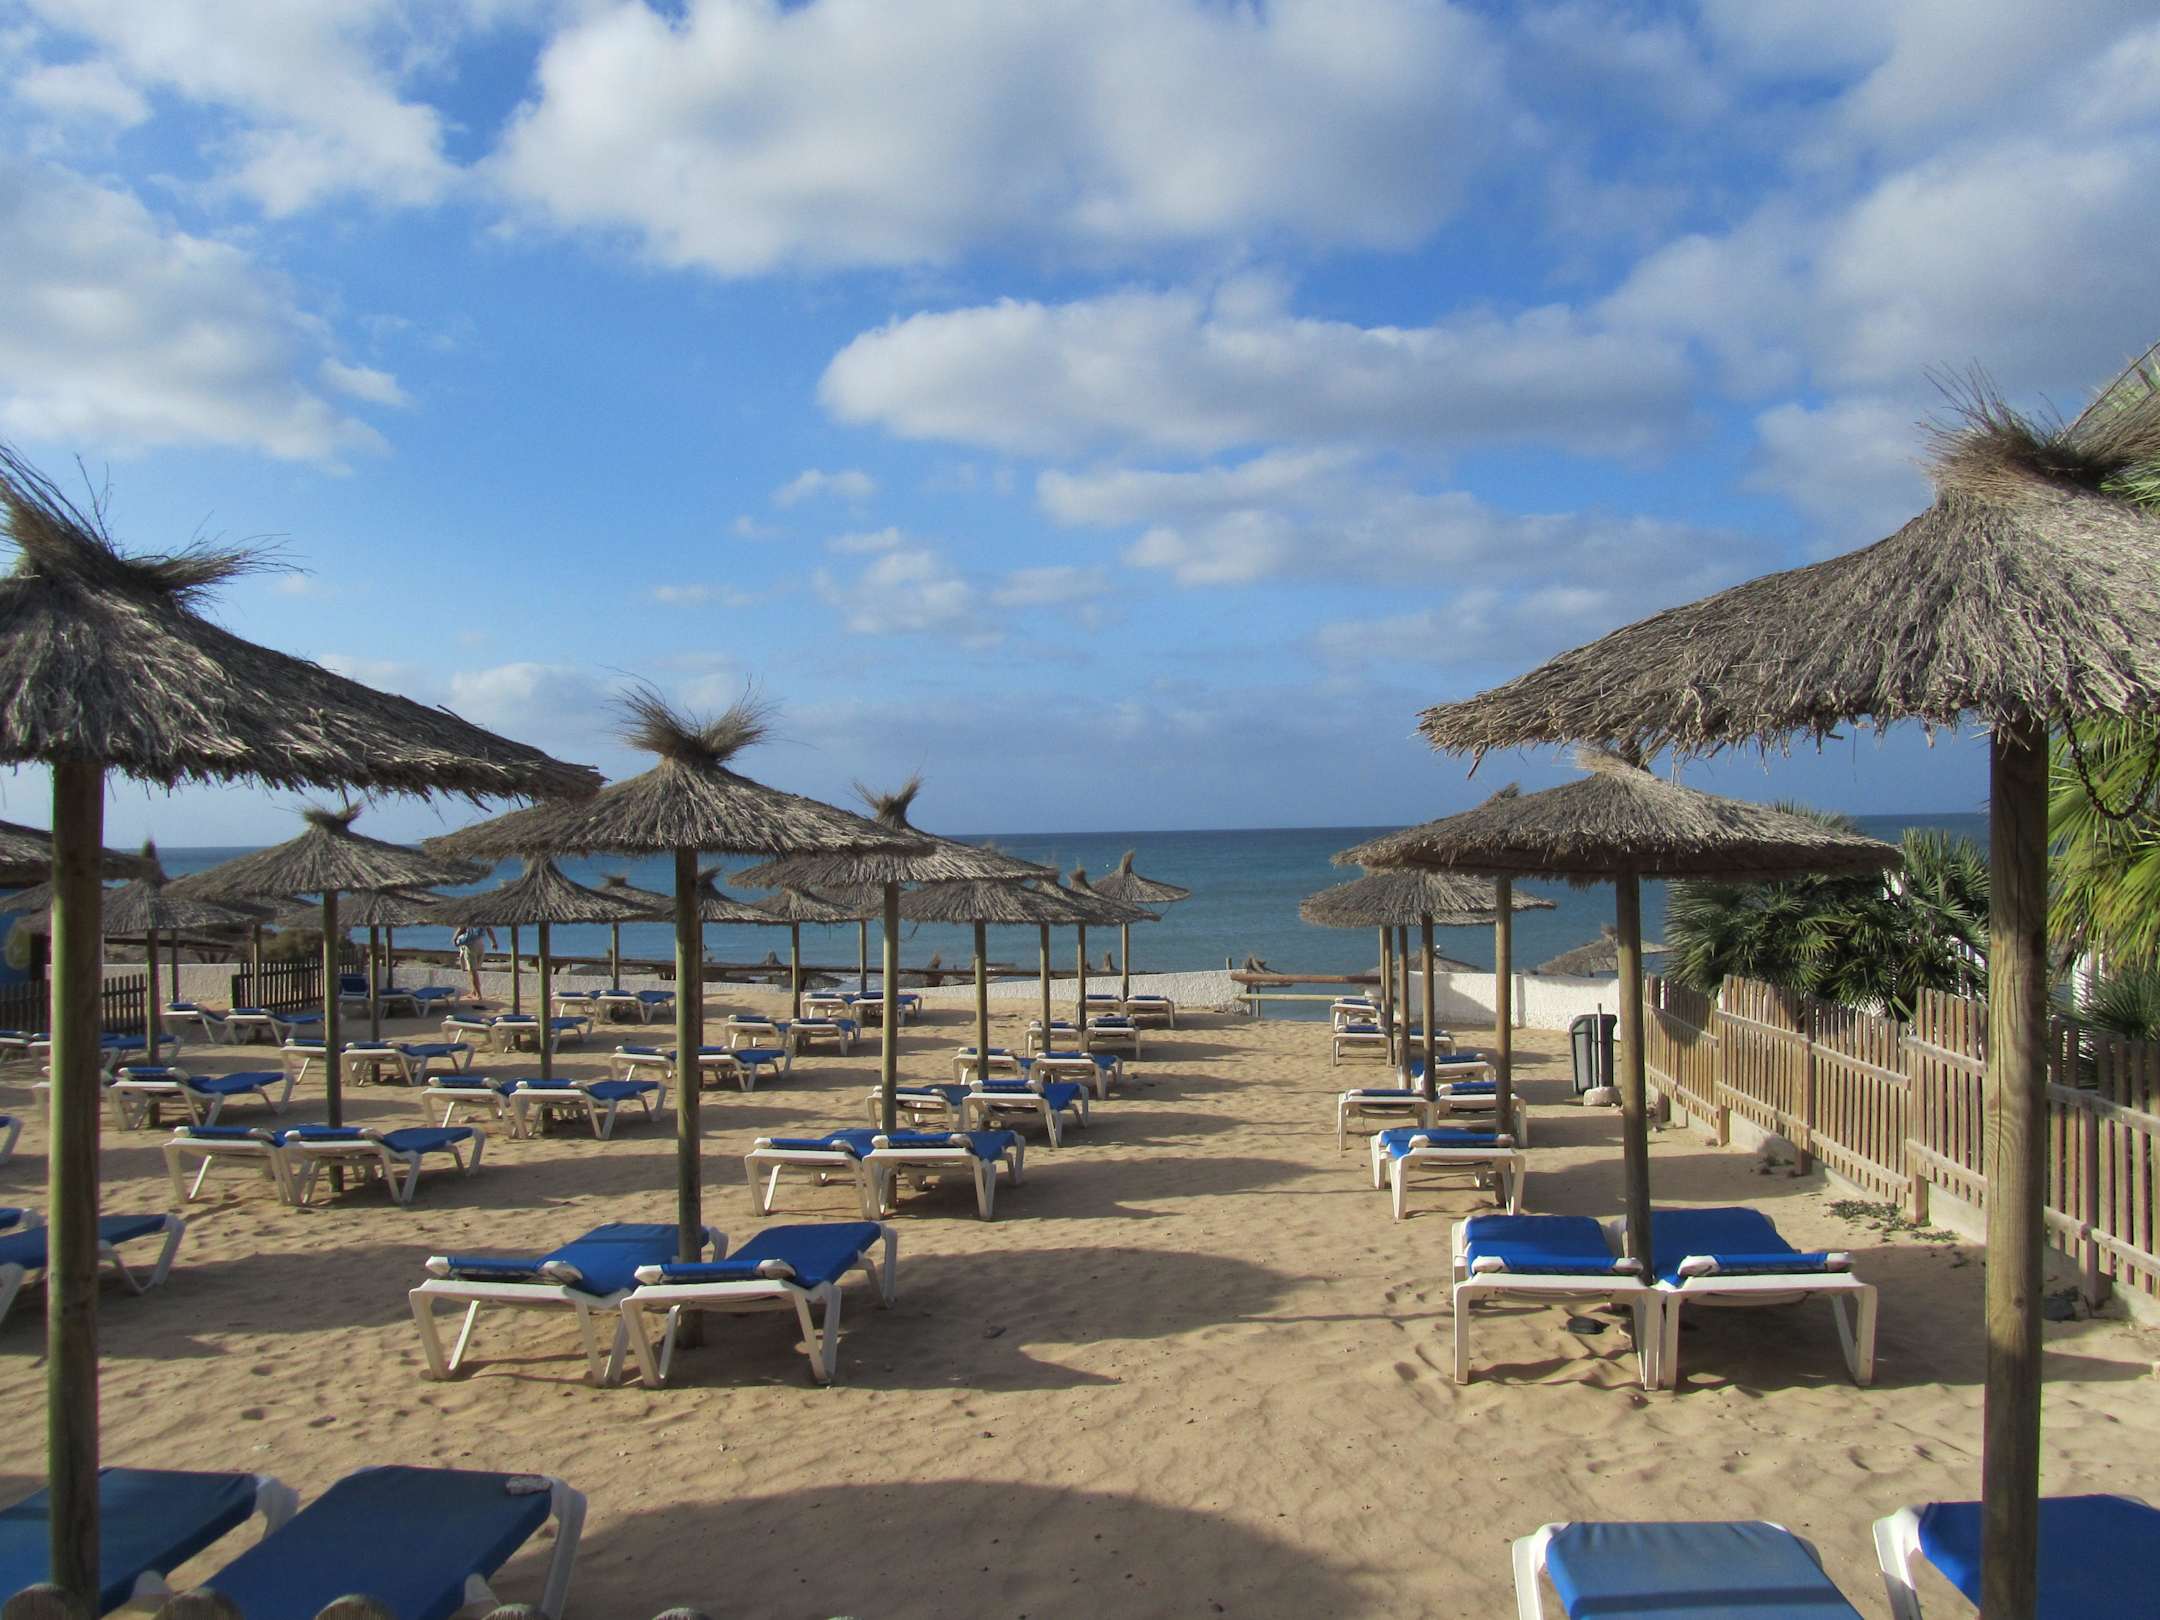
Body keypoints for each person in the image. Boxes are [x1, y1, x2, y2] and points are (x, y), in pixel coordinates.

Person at [452, 924, 496, 1003]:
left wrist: (455, 939)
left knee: (473, 972)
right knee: (473, 971)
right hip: (480, 944)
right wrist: (493, 942)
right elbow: (489, 929)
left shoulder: (468, 918)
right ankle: (474, 991)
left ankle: (478, 995)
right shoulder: (482, 919)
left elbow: (461, 928)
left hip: (470, 945)